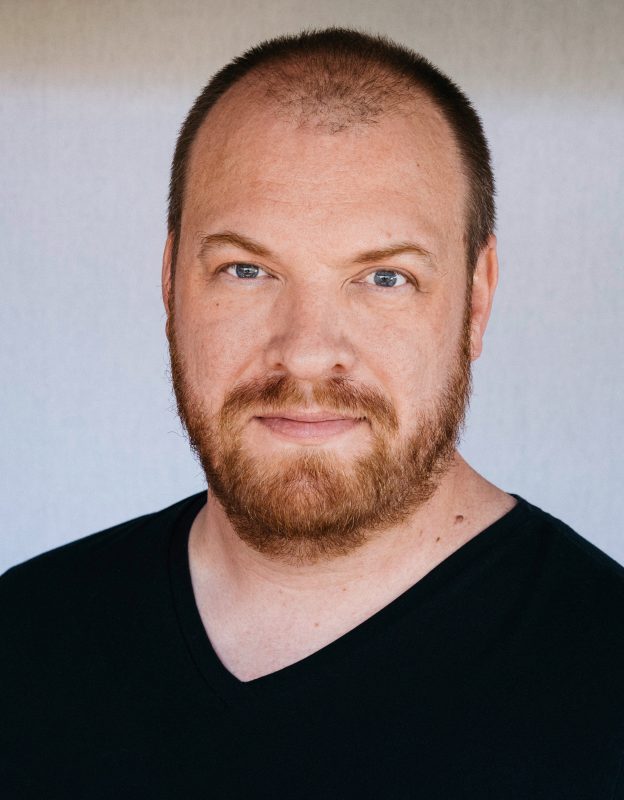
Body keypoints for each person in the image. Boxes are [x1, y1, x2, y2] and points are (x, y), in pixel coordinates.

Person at [2, 27, 623, 799]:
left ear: (476, 299)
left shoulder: (605, 681)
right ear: (169, 282)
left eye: (386, 277)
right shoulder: (24, 636)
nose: (304, 353)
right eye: (246, 269)